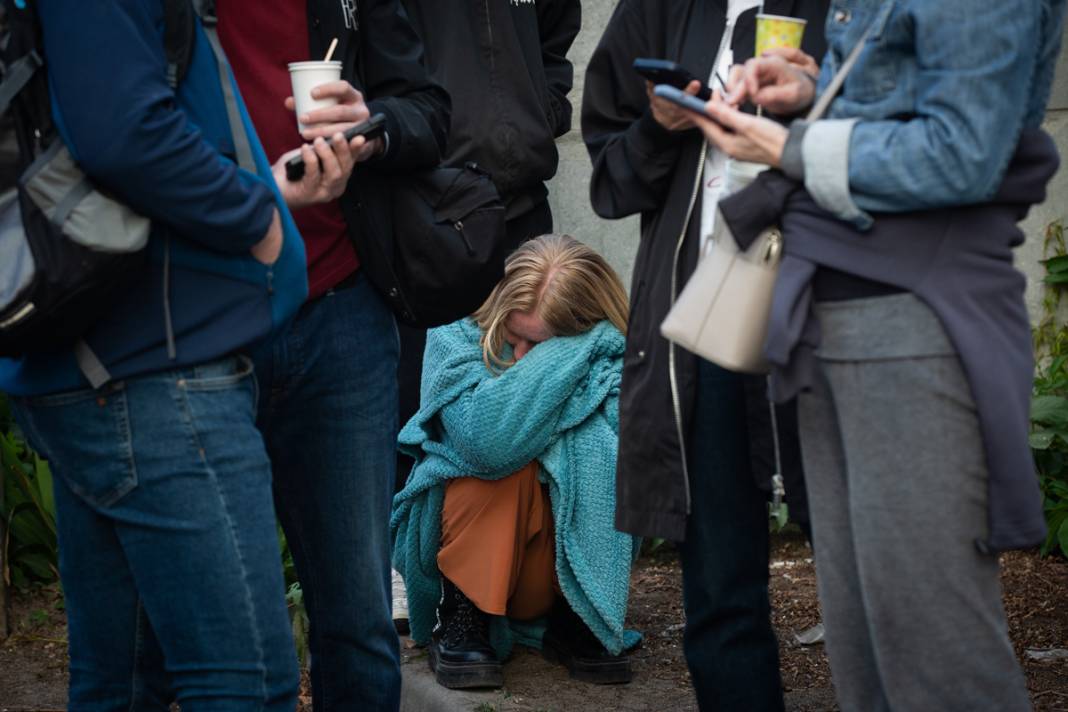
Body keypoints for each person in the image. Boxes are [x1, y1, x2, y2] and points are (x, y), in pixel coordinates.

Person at [689, 2, 1067, 709]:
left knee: (936, 661)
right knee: (866, 650)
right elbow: (909, 93)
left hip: (913, 321)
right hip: (839, 315)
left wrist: (783, 147)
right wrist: (813, 91)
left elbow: (962, 153)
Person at [0, 3, 310, 709]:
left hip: (113, 370)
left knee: (124, 688)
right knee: (246, 684)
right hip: (151, 380)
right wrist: (256, 215)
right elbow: (123, 130)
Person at [581, 2, 827, 710]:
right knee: (721, 584)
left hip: (827, 309)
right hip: (708, 313)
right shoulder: (661, 9)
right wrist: (660, 127)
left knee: (871, 565)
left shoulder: (845, 10)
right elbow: (611, 180)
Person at [214, 3, 449, 710]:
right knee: (222, 629)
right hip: (205, 322)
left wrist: (370, 128)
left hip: (339, 308)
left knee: (357, 619)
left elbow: (428, 110)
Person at [391, 235, 639, 690]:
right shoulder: (455, 333)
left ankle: (576, 616)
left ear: (583, 328)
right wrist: (560, 377)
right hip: (475, 547)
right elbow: (487, 441)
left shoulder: (612, 350)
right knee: (494, 465)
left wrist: (540, 389)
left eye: (544, 346)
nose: (522, 357)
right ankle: (463, 614)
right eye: (515, 335)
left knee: (594, 449)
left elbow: (623, 443)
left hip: (556, 562)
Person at [393, 0, 582, 488]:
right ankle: (413, 551)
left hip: (521, 202)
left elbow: (555, 34)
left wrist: (543, 107)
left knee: (532, 389)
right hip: (428, 203)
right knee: (422, 401)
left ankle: (526, 546)